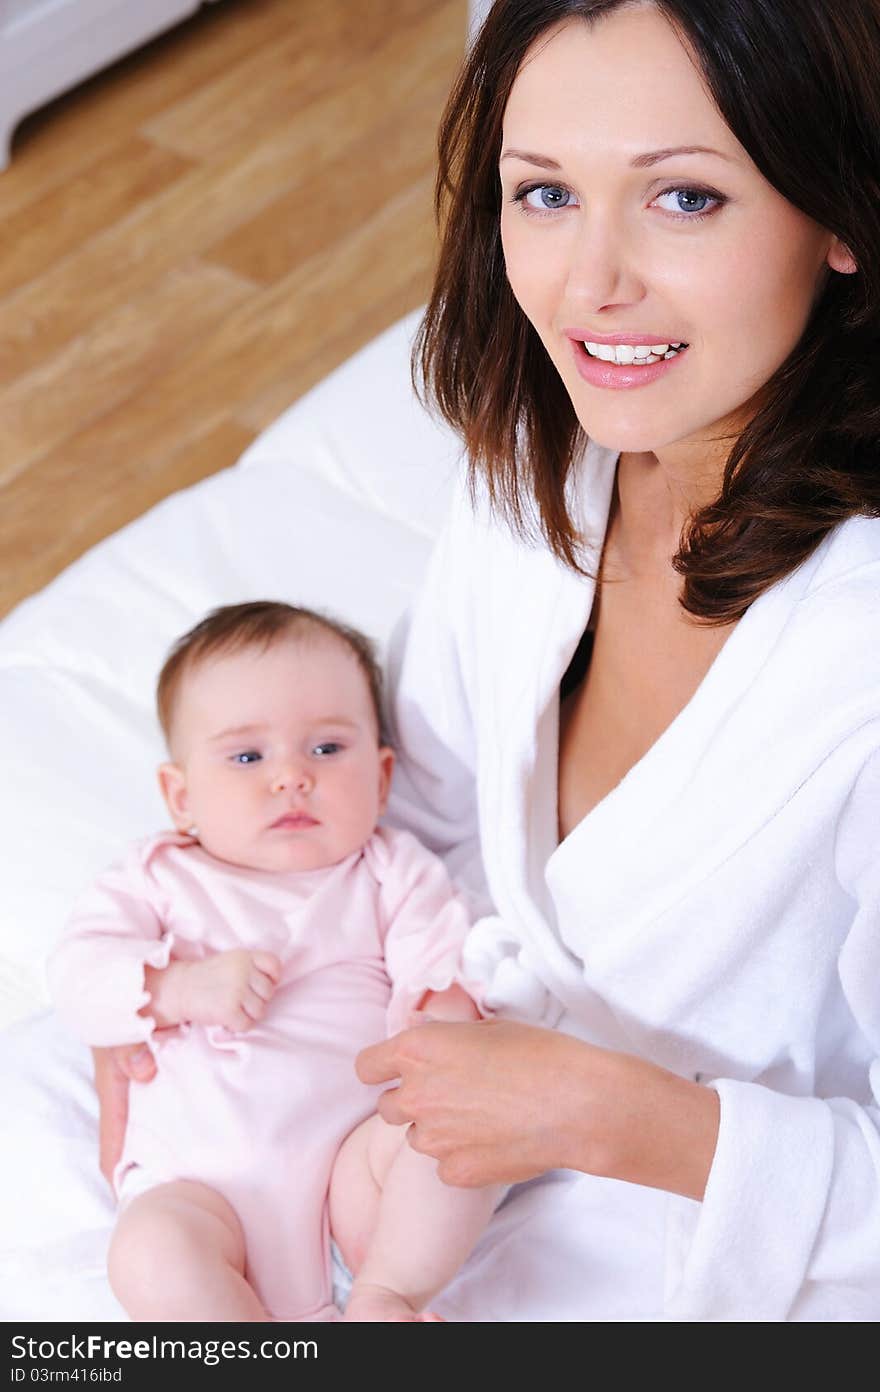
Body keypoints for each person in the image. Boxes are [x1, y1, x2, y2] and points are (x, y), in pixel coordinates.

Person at [97, 0, 880, 1320]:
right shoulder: (537, 474)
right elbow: (424, 814)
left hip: (719, 1233)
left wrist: (622, 1117)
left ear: (840, 213)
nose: (590, 283)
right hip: (408, 1127)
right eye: (544, 194)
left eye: (685, 197)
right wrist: (199, 981)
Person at [52, 602, 498, 1322]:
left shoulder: (389, 871)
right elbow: (77, 977)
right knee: (149, 1252)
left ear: (382, 779)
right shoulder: (154, 878)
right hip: (203, 1188)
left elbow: (440, 962)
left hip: (355, 1174)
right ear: (181, 796)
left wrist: (446, 1019)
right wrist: (175, 988)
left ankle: (390, 1296)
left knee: (453, 1135)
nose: (291, 777)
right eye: (247, 756)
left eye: (326, 749)